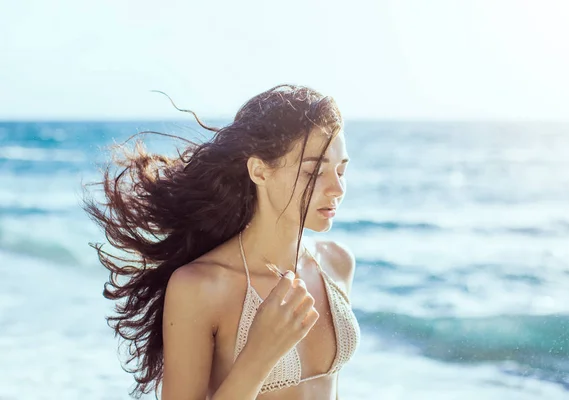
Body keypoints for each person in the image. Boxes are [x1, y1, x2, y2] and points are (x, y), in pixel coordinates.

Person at [84, 84, 361, 399]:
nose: (337, 189)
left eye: (341, 171)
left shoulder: (337, 264)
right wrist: (258, 356)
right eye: (314, 172)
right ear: (259, 171)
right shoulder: (199, 287)